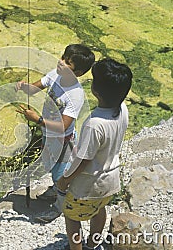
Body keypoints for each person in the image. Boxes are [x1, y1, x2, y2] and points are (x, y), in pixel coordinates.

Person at [56, 58, 133, 250]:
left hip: (88, 184)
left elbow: (84, 159)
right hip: (110, 181)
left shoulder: (94, 123)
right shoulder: (123, 109)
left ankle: (76, 248)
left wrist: (66, 179)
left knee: (72, 217)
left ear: (96, 91)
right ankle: (92, 245)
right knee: (99, 210)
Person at [14, 44, 95, 222]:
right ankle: (55, 189)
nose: (61, 63)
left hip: (63, 141)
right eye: (63, 57)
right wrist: (23, 86)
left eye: (68, 63)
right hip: (48, 136)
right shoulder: (55, 74)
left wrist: (37, 120)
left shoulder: (75, 95)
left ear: (79, 73)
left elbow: (63, 126)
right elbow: (36, 88)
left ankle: (59, 207)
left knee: (61, 173)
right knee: (50, 165)